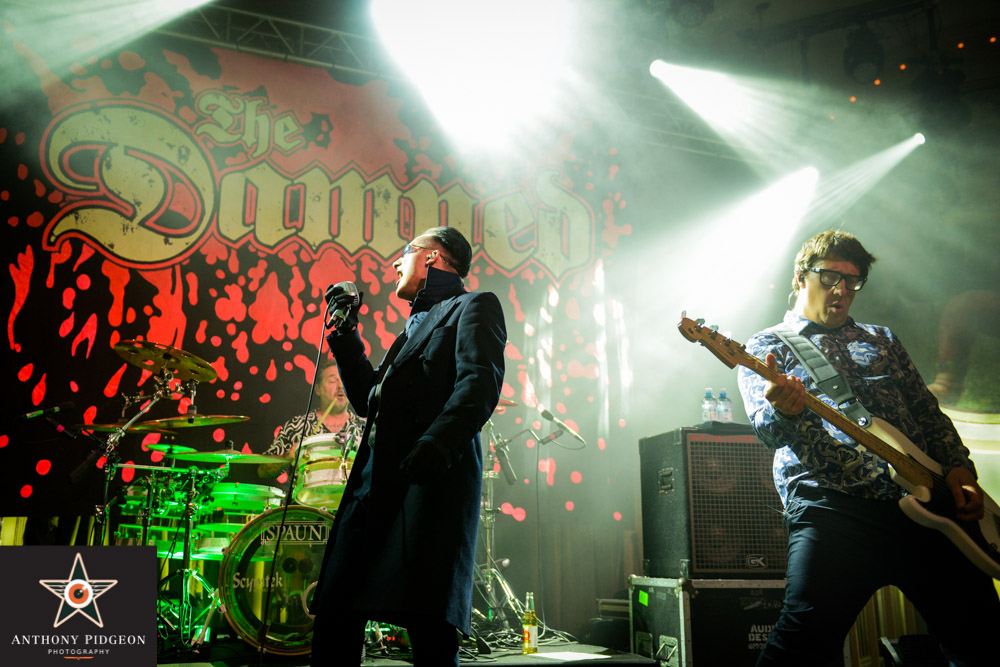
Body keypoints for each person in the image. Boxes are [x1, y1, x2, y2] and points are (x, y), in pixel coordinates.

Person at [736, 229, 1000, 667]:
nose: (842, 290)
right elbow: (769, 433)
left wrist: (959, 469)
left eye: (852, 281)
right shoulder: (767, 346)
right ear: (800, 278)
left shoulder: (881, 339)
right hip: (833, 508)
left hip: (926, 504)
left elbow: (927, 412)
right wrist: (783, 409)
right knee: (801, 644)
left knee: (984, 636)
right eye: (830, 277)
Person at [309, 227, 506, 666]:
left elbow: (479, 383)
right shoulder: (411, 330)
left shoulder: (473, 306)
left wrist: (436, 443)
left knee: (428, 622)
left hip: (427, 484)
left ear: (431, 257)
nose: (396, 264)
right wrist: (345, 333)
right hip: (373, 485)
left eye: (405, 253)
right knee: (336, 610)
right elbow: (369, 400)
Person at [258, 356, 364, 481]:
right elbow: (262, 471)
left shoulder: (365, 428)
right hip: (305, 493)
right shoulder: (297, 425)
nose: (340, 386)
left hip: (353, 494)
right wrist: (288, 456)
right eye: (332, 381)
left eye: (343, 380)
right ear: (318, 389)